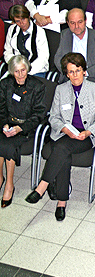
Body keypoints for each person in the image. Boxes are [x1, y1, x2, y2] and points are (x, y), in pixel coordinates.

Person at [25, 52, 95, 220]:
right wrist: (64, 129)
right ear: (66, 73)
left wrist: (88, 131)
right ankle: (61, 201)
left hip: (86, 136)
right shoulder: (61, 90)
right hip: (64, 134)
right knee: (63, 152)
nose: (74, 75)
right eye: (70, 72)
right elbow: (53, 117)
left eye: (77, 71)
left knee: (61, 149)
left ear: (84, 71)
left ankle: (43, 186)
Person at [0, 55, 46, 207]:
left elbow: (39, 114)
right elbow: (1, 110)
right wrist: (5, 125)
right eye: (17, 71)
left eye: (23, 70)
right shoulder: (5, 84)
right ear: (12, 72)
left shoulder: (37, 86)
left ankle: (9, 185)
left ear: (28, 69)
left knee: (8, 146)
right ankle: (0, 177)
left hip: (26, 127)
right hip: (8, 124)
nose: (20, 75)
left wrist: (20, 128)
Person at [54, 8, 95, 85]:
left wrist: (84, 73)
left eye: (80, 22)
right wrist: (69, 72)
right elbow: (58, 58)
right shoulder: (65, 35)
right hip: (68, 79)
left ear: (85, 21)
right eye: (72, 23)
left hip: (91, 78)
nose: (76, 26)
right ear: (67, 23)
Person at [4, 5, 49, 76]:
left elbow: (43, 57)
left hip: (35, 70)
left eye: (23, 19)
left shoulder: (39, 32)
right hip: (16, 68)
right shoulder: (12, 29)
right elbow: (8, 51)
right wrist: (16, 67)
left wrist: (25, 71)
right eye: (18, 21)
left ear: (28, 17)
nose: (21, 23)